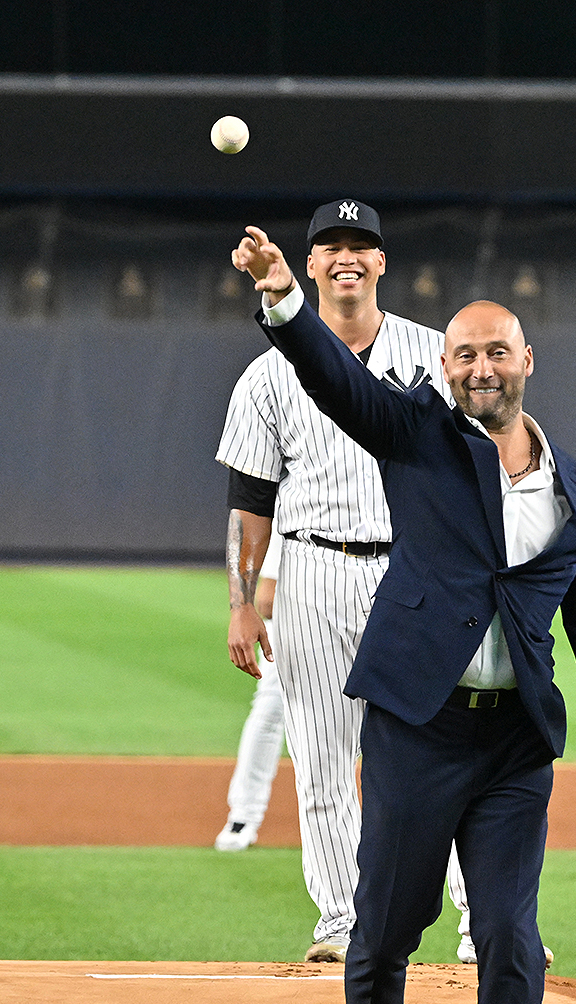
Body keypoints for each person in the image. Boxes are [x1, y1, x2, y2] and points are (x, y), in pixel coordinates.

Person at [231, 226, 576, 1004]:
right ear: (443, 366)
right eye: (461, 352)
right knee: (383, 928)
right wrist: (283, 299)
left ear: (525, 362)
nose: (477, 367)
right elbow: (340, 386)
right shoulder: (420, 440)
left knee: (510, 932)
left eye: (494, 350)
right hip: (418, 726)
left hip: (513, 745)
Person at [217, 199, 472, 963]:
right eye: (331, 246)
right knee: (323, 758)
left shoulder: (437, 356)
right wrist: (240, 601)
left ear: (383, 262)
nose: (347, 258)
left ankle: (478, 922)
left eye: (361, 245)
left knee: (448, 755)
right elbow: (250, 500)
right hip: (314, 572)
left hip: (418, 570)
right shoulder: (268, 376)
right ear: (312, 263)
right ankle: (341, 919)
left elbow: (481, 471)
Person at [215, 530, 286, 852]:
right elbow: (267, 599)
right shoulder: (301, 495)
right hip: (294, 623)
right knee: (270, 712)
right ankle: (243, 815)